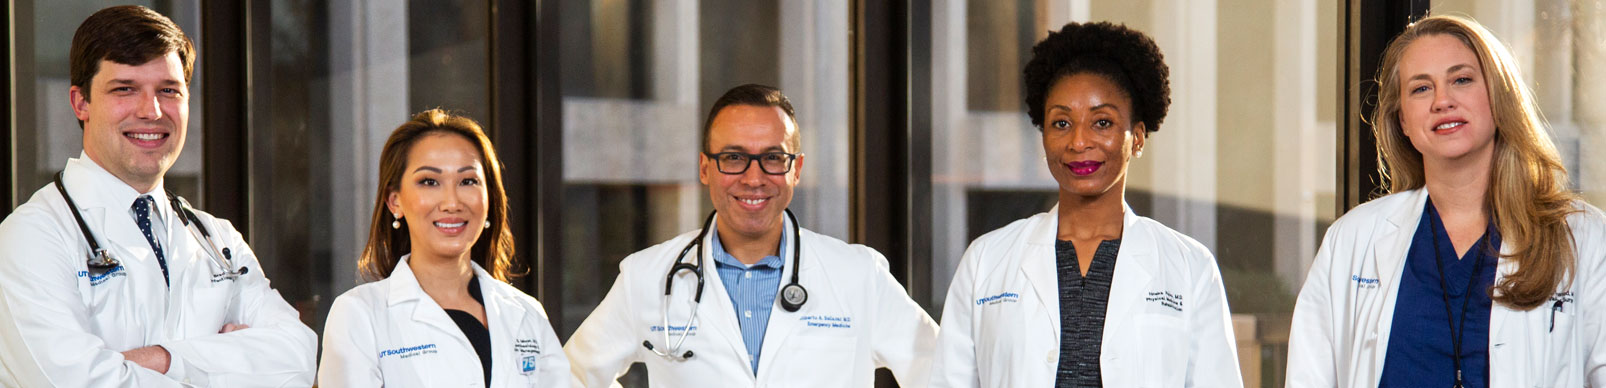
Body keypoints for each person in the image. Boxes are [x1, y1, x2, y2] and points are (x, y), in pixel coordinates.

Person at [0, 5, 316, 386]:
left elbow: (297, 358)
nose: (151, 111)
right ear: (80, 102)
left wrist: (163, 360)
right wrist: (228, 367)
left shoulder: (217, 238)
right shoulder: (30, 237)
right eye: (125, 89)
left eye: (169, 91)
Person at [1285, 15, 1606, 387]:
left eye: (1461, 80)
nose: (1442, 100)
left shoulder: (1582, 237)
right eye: (1421, 89)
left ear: (1499, 97)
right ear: (1402, 119)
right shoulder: (1354, 239)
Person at [929, 21, 1242, 387]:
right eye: (1061, 122)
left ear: (1137, 138)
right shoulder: (986, 261)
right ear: (1043, 135)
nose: (1079, 142)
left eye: (1102, 122)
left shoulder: (1190, 268)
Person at [563, 84, 938, 387]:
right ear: (705, 167)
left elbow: (943, 376)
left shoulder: (859, 276)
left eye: (773, 158)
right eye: (733, 157)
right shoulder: (646, 277)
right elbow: (569, 377)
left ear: (797, 169)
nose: (754, 177)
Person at [318, 109, 570, 387]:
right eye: (429, 181)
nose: (452, 202)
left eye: (468, 181)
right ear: (395, 201)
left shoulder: (526, 313)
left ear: (489, 199)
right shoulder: (359, 315)